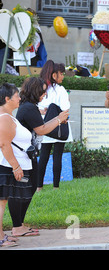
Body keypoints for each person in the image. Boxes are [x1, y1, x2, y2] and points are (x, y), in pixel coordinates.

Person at [11, 77, 68, 237]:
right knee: (22, 189)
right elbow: (42, 129)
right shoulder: (28, 108)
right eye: (42, 91)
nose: (44, 94)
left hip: (27, 154)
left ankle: (20, 224)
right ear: (35, 91)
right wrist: (59, 119)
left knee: (29, 187)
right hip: (22, 155)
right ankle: (17, 227)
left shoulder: (29, 107)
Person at [0, 83, 32, 248]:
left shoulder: (8, 116)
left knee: (3, 201)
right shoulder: (4, 118)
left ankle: (1, 235)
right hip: (5, 165)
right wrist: (16, 167)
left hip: (7, 165)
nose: (19, 98)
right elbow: (4, 144)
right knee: (1, 202)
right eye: (16, 96)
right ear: (7, 99)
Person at [37, 61, 72, 191]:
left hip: (44, 126)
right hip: (58, 126)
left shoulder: (40, 88)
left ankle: (39, 187)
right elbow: (65, 108)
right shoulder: (60, 90)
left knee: (44, 156)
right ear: (53, 75)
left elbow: (36, 106)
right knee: (58, 156)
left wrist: (42, 111)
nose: (63, 76)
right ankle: (56, 187)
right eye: (61, 74)